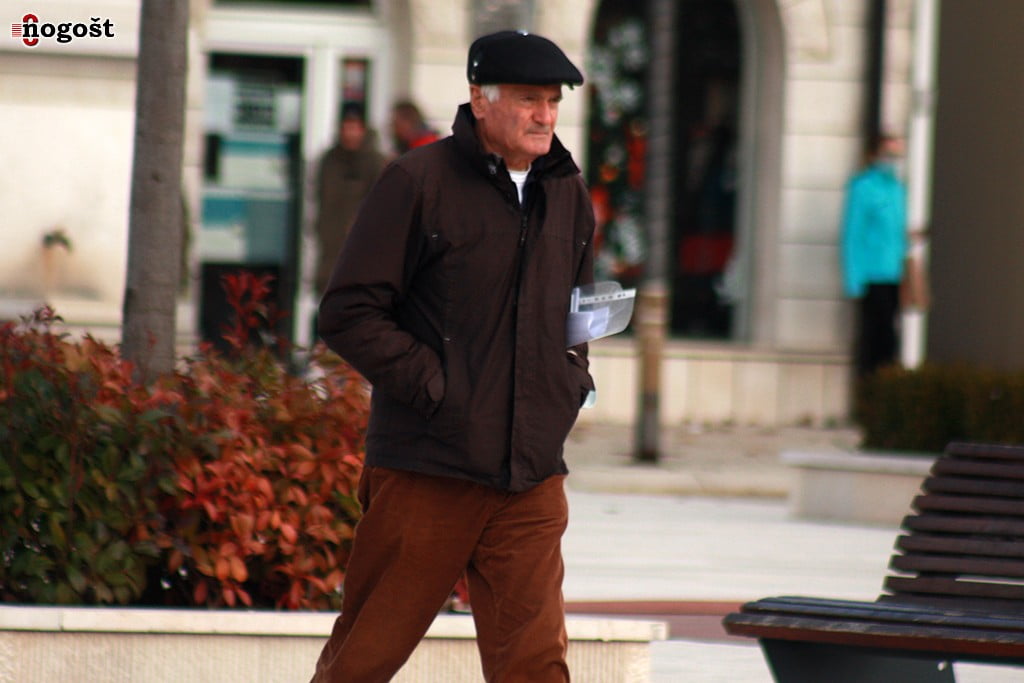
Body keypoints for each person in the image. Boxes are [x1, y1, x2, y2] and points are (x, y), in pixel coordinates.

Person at [312, 30, 595, 682]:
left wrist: (569, 380)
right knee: (363, 660)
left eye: (553, 100)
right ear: (480, 98)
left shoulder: (567, 192)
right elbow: (348, 311)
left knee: (537, 667)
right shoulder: (416, 181)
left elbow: (579, 309)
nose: (545, 115)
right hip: (427, 468)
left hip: (530, 478)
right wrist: (438, 390)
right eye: (528, 99)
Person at [841, 134, 908, 378]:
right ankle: (870, 383)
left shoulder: (898, 188)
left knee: (890, 335)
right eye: (889, 154)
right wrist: (854, 280)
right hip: (873, 273)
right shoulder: (864, 187)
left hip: (895, 272)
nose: (893, 160)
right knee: (876, 335)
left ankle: (883, 381)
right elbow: (853, 234)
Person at [312, 102, 387, 297]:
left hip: (363, 252)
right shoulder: (329, 161)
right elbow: (320, 200)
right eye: (346, 127)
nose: (350, 134)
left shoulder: (375, 163)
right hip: (331, 250)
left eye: (354, 128)